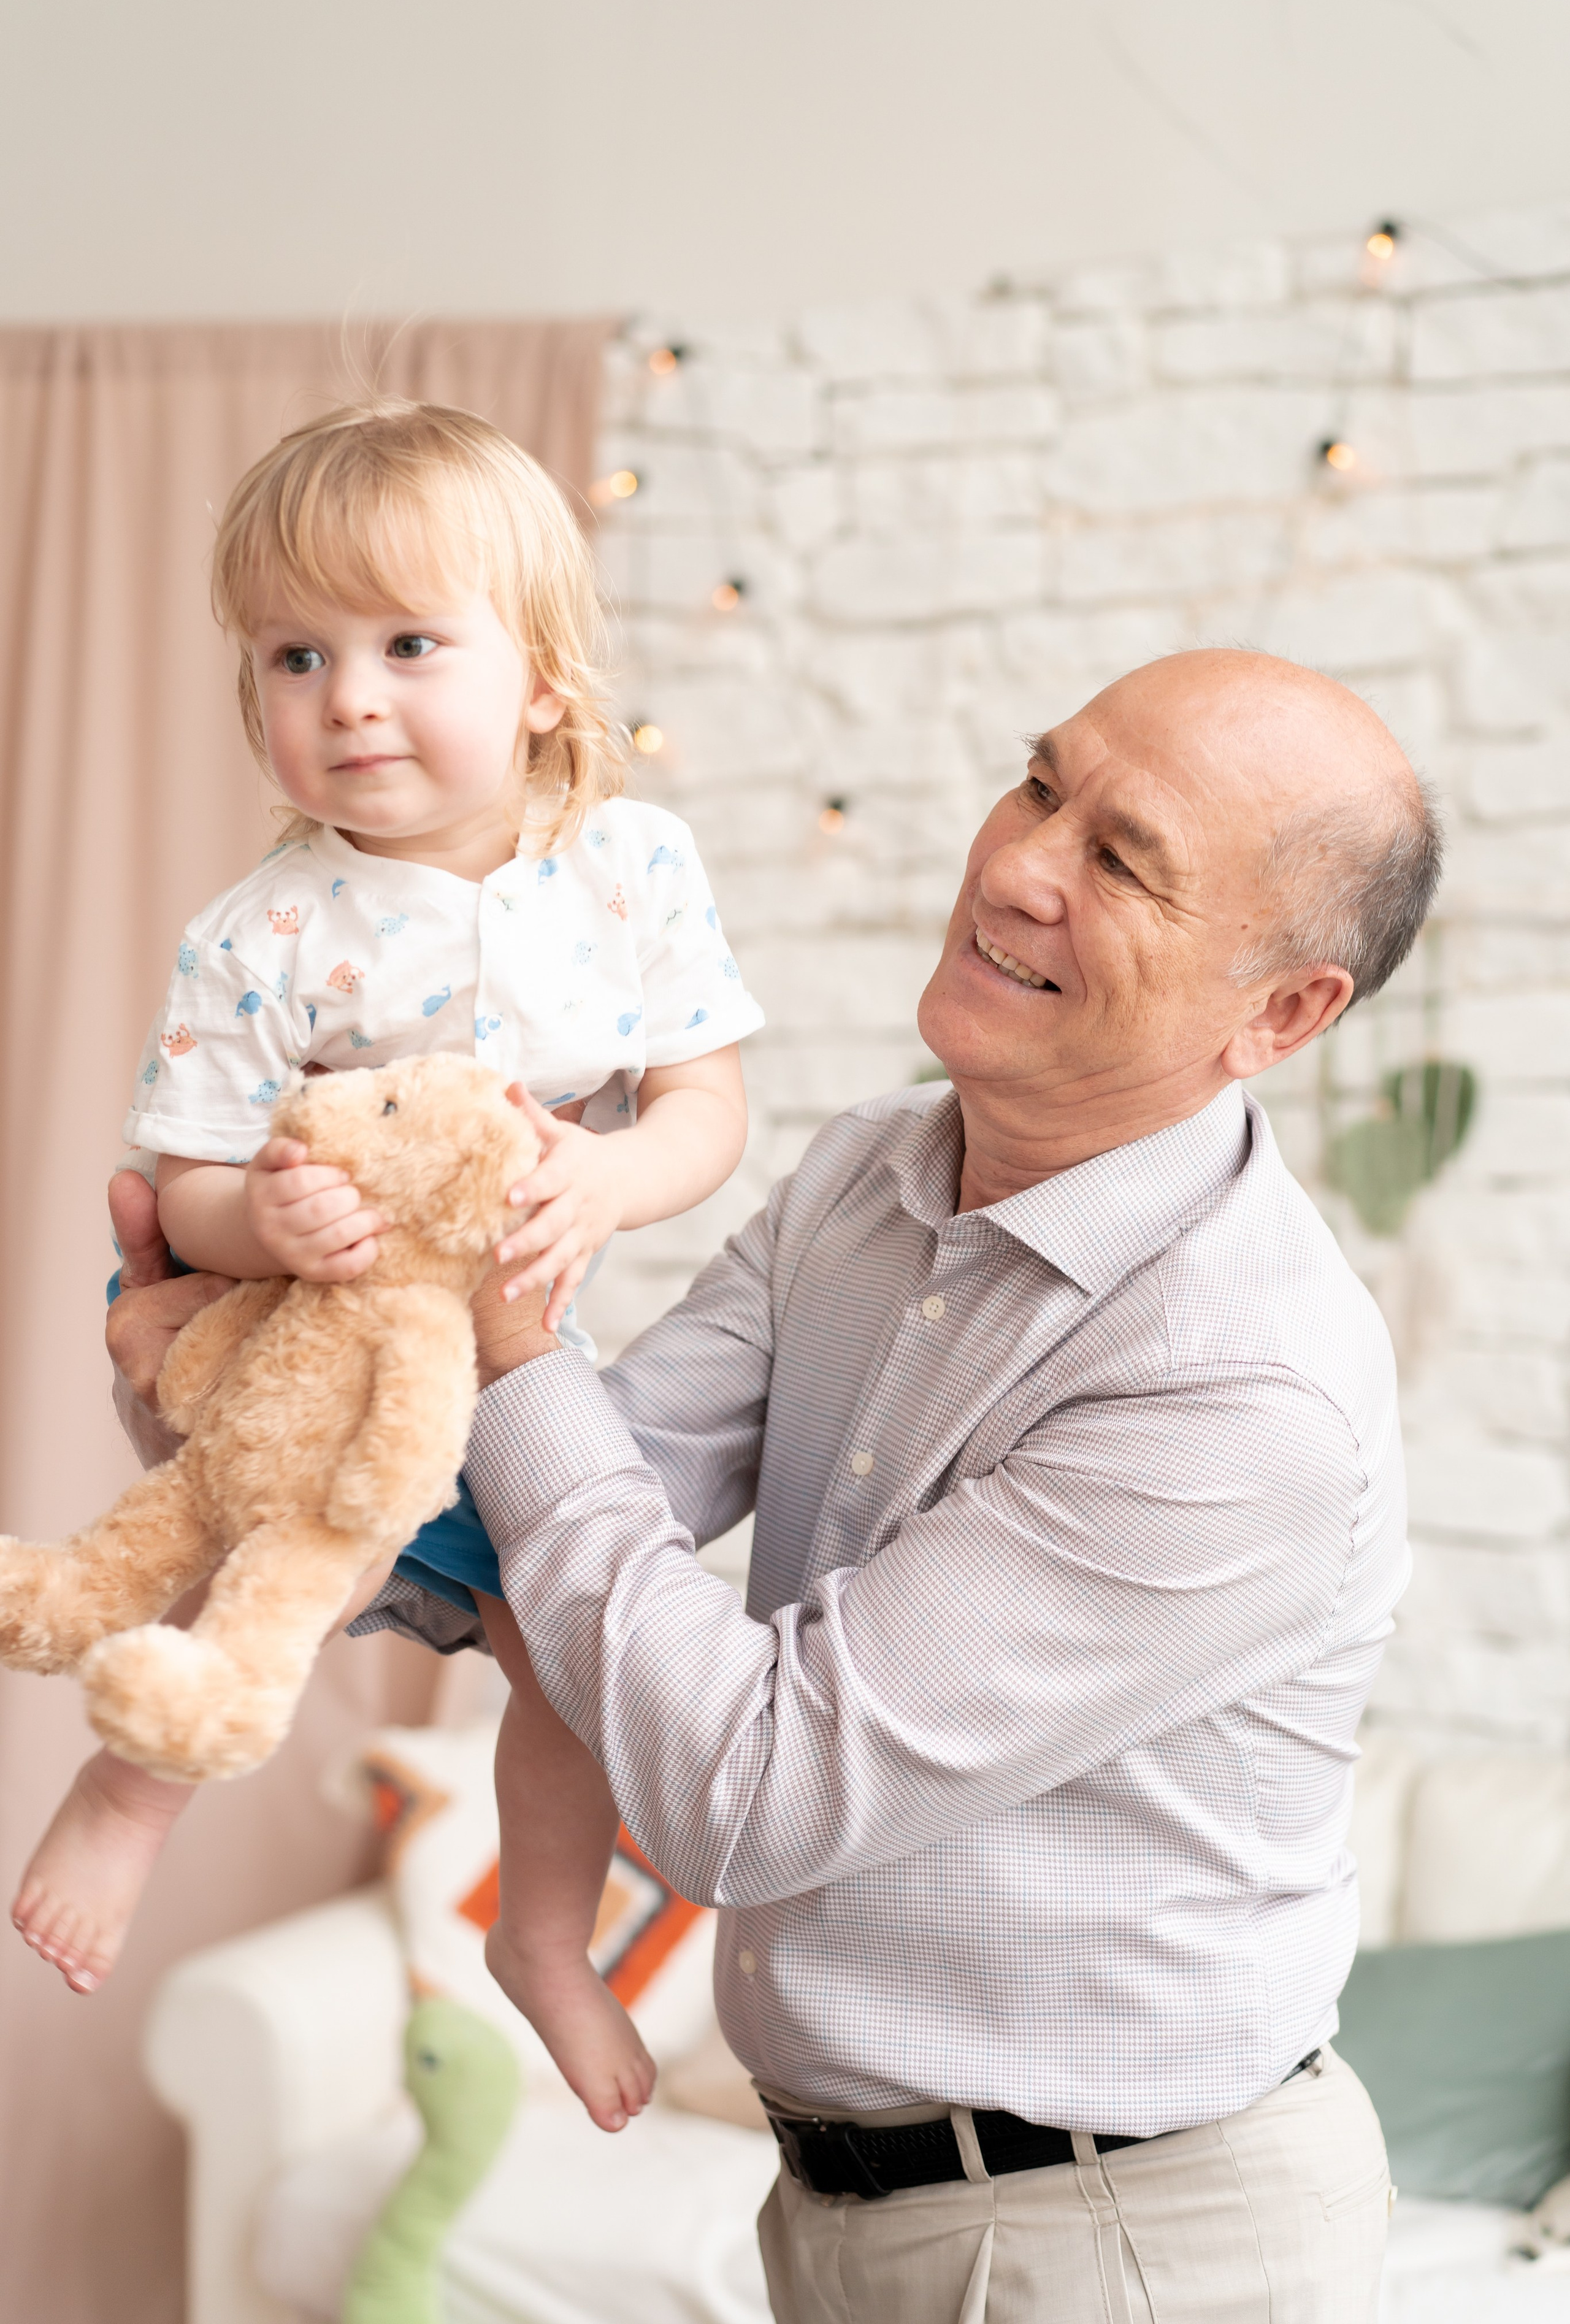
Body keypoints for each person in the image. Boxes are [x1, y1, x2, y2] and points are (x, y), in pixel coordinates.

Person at [102, 647, 1433, 2321]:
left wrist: (498, 1340)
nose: (1017, 867)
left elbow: (749, 1796)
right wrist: (237, 1398)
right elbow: (550, 1524)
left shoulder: (1241, 1395)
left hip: (1129, 2245)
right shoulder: (874, 1171)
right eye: (1040, 786)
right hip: (840, 2212)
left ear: (1283, 1012)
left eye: (1121, 860)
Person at [10, 398, 764, 2138]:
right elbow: (186, 1184)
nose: (347, 697)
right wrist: (258, 1225)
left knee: (564, 1652)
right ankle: (128, 1799)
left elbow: (706, 1108)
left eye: (409, 645)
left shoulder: (632, 866)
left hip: (499, 1357)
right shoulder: (263, 929)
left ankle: (544, 1937)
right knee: (256, 1548)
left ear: (545, 680)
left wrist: (611, 1174)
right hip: (294, 1321)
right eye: (296, 656)